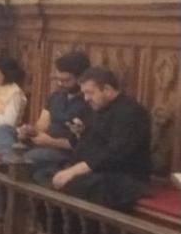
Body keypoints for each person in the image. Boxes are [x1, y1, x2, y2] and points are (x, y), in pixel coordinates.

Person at [50, 66, 153, 211]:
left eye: (90, 93)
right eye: (84, 93)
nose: (86, 99)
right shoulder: (98, 108)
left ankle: (84, 233)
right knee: (48, 174)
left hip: (126, 178)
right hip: (99, 171)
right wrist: (80, 134)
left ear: (107, 89)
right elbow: (92, 143)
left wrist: (75, 170)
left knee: (75, 184)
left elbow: (116, 153)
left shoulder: (131, 113)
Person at [17, 51, 90, 180]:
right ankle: (9, 160)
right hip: (41, 142)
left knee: (23, 162)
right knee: (3, 130)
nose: (60, 84)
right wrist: (29, 131)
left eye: (66, 80)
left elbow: (82, 144)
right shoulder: (55, 96)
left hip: (63, 151)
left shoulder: (89, 102)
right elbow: (41, 126)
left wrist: (50, 142)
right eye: (58, 79)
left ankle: (9, 162)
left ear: (81, 78)